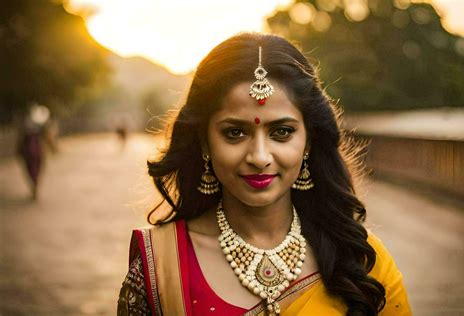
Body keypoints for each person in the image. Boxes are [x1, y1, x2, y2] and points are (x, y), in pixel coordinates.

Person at [117, 33, 411, 315]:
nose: (259, 157)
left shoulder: (359, 259)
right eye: (235, 133)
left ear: (308, 141)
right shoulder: (161, 266)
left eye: (282, 132)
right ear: (205, 142)